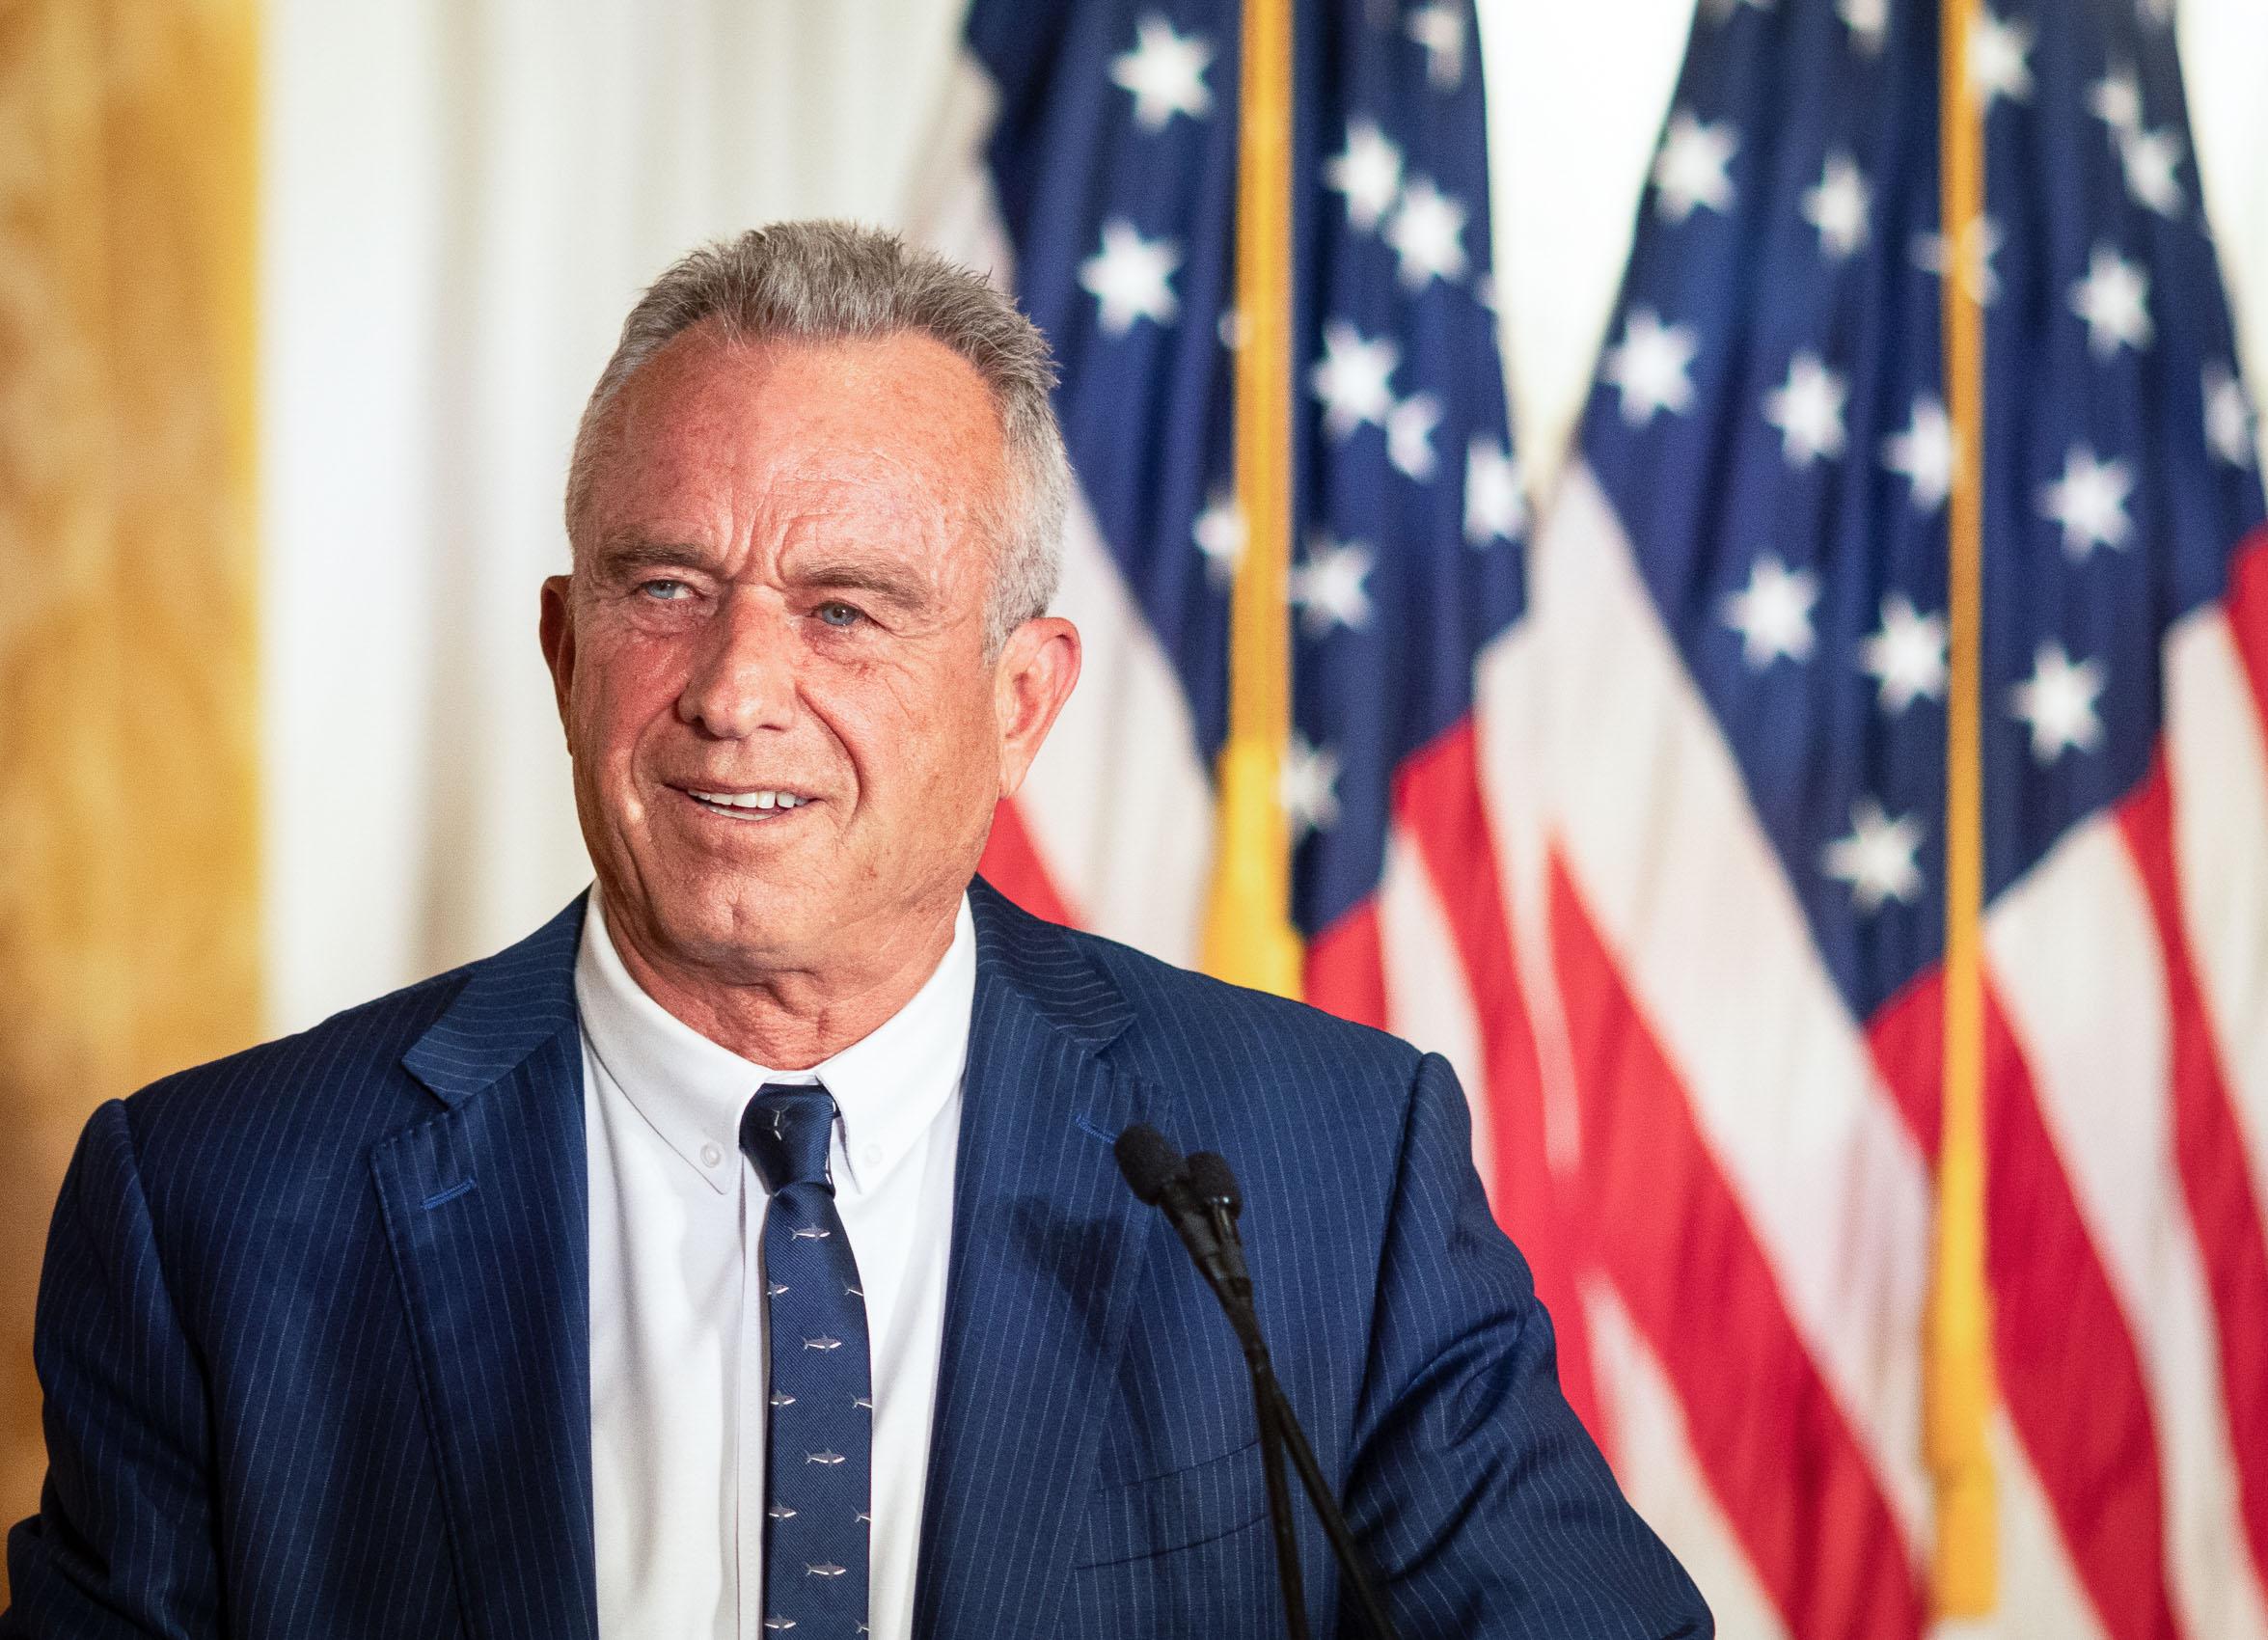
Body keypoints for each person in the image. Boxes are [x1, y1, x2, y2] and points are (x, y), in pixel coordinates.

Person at [3, 222, 1708, 1639]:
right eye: (666, 588)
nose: (739, 691)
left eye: (848, 611)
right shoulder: (213, 1209)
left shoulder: (1329, 1164)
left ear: (1021, 703)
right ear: (565, 649)